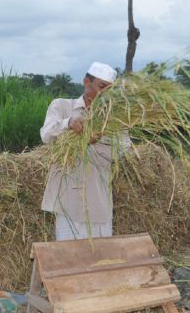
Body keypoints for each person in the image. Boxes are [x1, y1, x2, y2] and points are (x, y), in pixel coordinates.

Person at [40, 61, 130, 241]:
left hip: (98, 202)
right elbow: (46, 134)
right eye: (101, 87)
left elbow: (123, 149)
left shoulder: (114, 119)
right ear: (86, 82)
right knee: (68, 260)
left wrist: (99, 139)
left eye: (109, 90)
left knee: (100, 261)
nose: (104, 94)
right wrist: (68, 124)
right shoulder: (62, 106)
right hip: (67, 203)